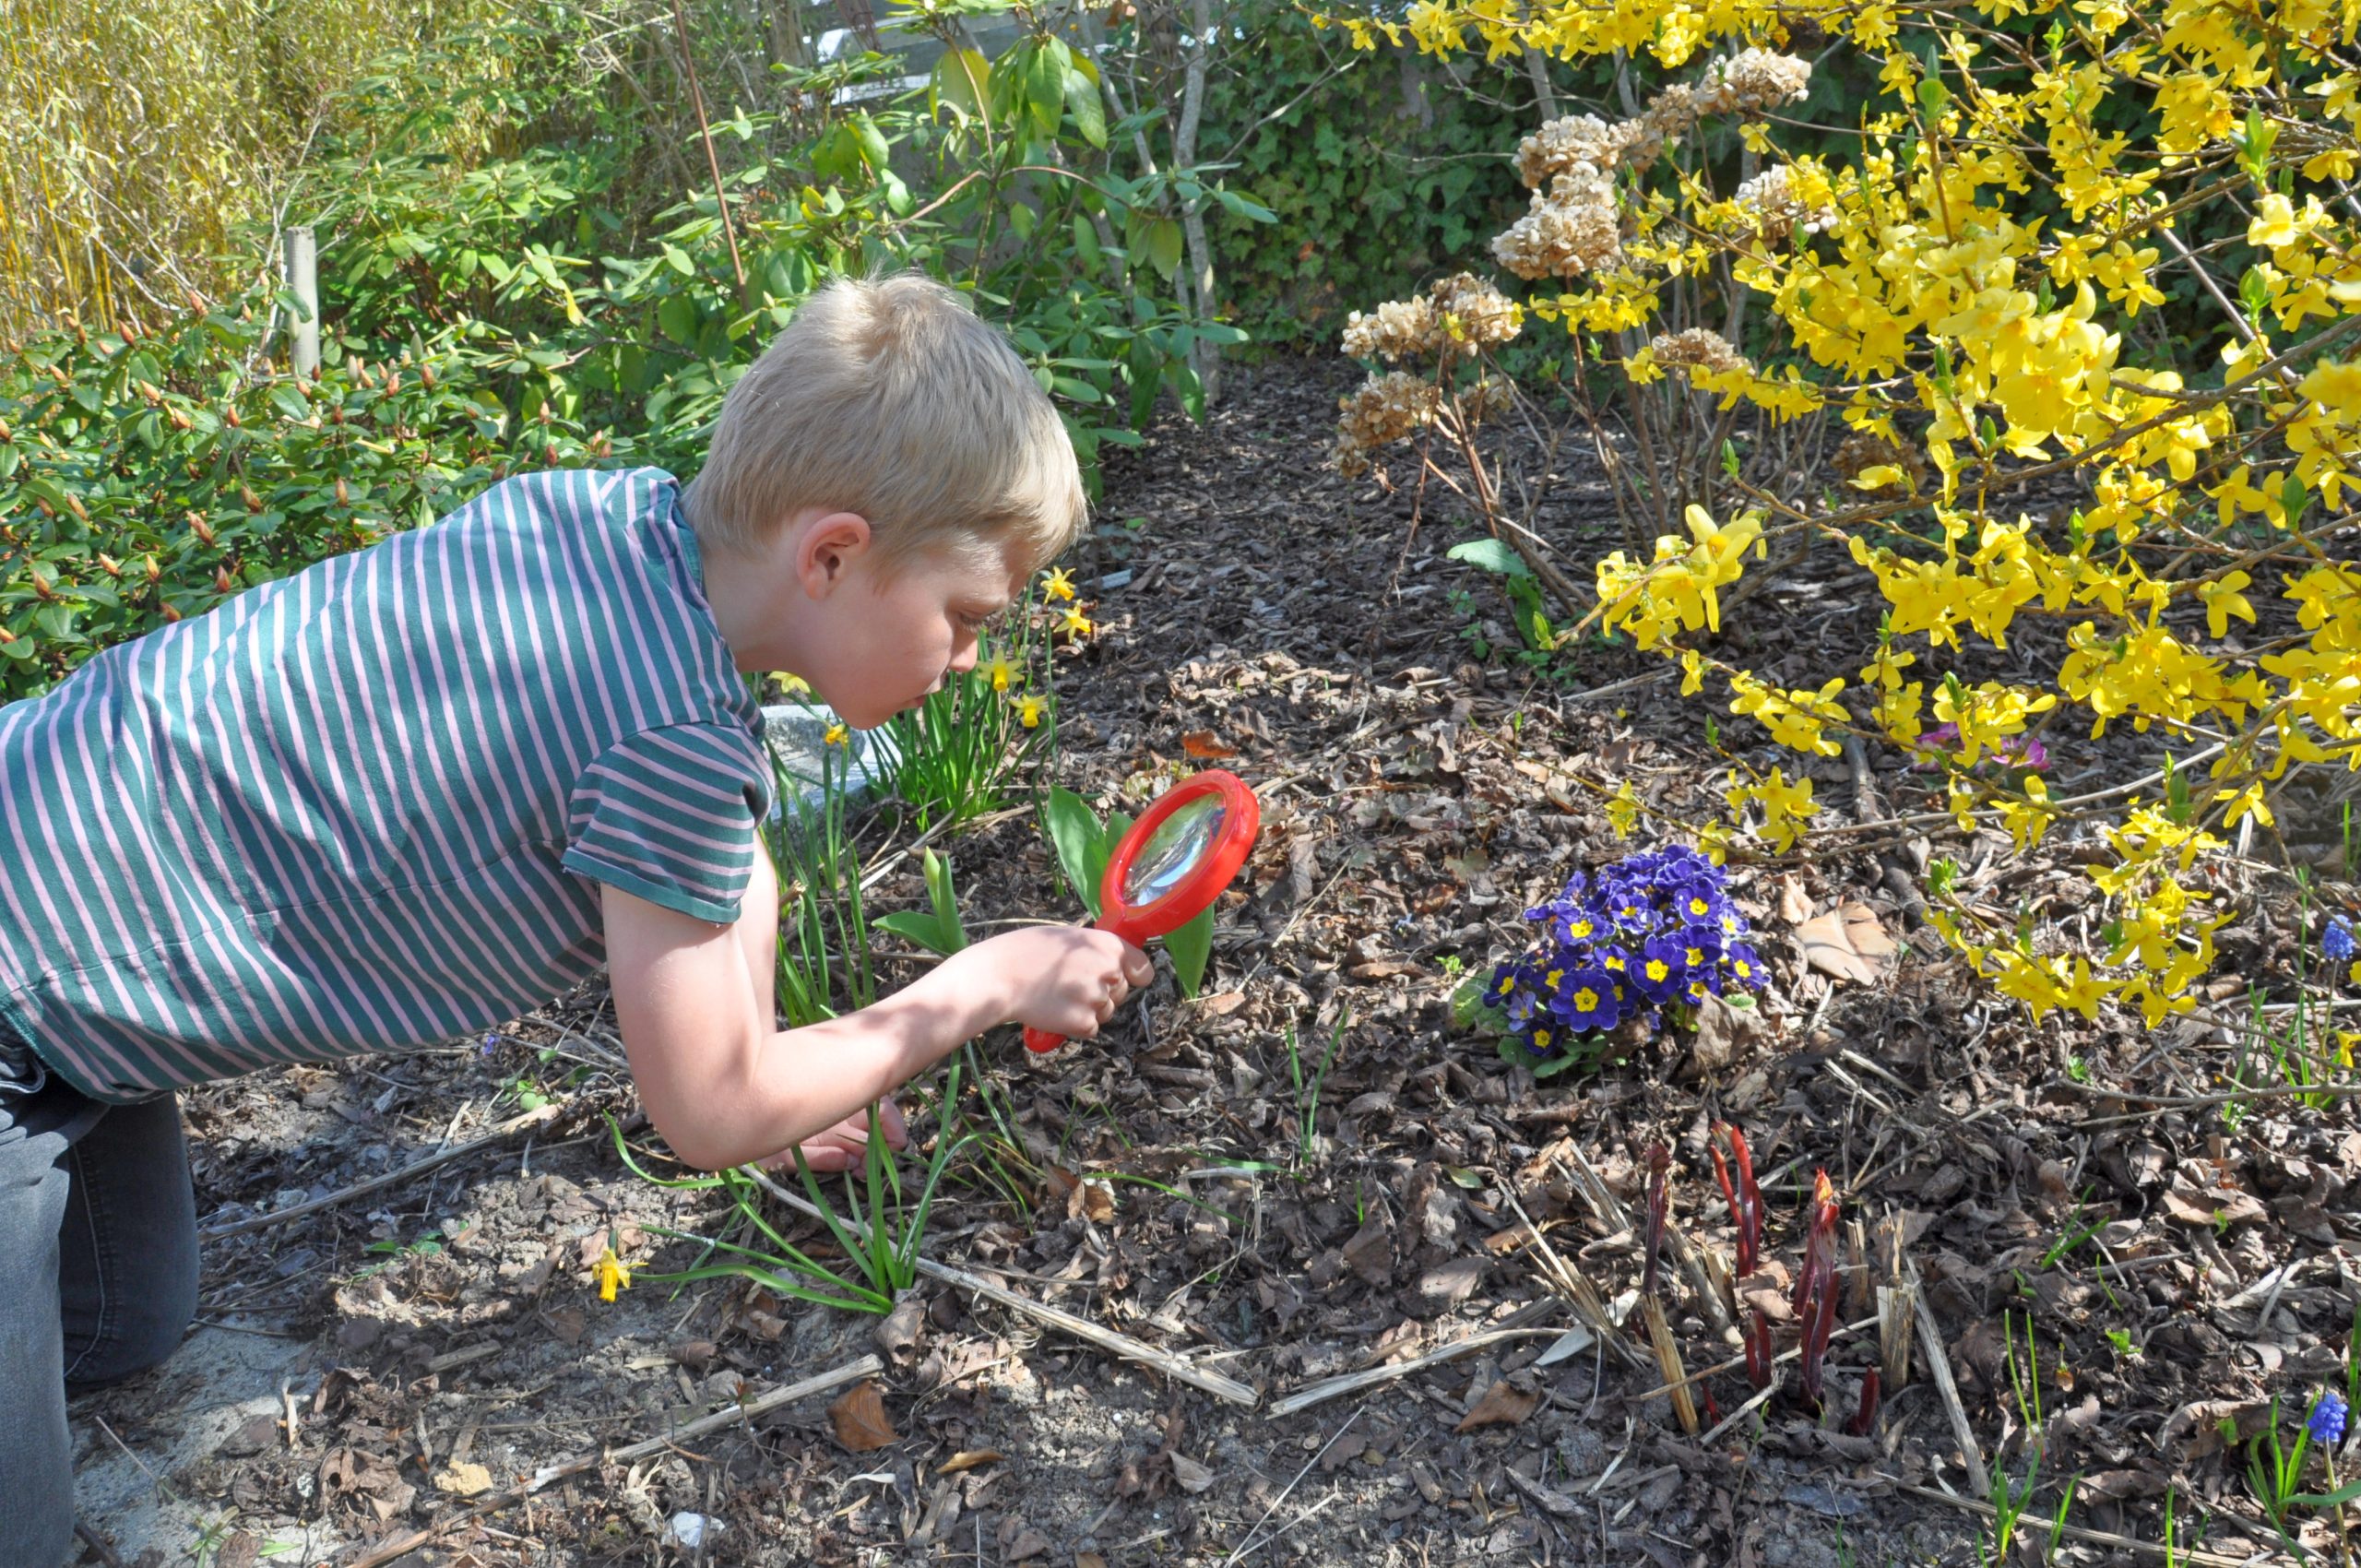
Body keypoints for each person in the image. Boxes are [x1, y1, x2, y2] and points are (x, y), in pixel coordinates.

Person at [0, 272, 1151, 1565]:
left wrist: (778, 1075)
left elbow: (729, 865)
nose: (968, 659)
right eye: (964, 617)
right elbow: (707, 1111)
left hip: (53, 961)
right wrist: (978, 984)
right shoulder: (667, 739)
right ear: (831, 556)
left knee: (121, 1324)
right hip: (16, 990)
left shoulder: (608, 530)